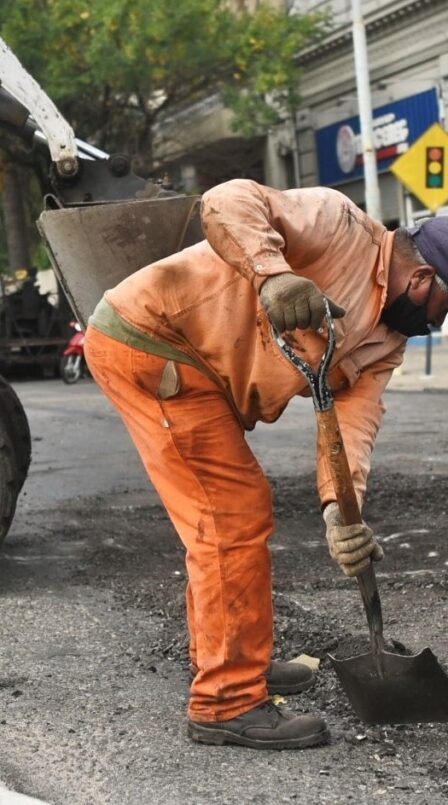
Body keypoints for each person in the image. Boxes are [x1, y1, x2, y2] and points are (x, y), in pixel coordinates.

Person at [83, 177, 448, 750]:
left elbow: (353, 423)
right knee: (229, 517)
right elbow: (226, 200)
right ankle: (226, 701)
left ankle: (233, 656)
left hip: (204, 371)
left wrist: (340, 512)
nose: (441, 323)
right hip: (153, 339)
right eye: (446, 308)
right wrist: (273, 274)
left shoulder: (386, 340)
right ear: (425, 279)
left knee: (232, 513)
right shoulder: (337, 222)